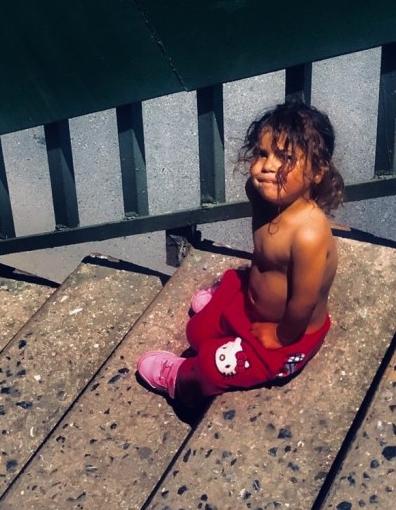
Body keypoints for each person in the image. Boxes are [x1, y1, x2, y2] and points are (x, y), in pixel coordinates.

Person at [136, 101, 343, 407]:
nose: (267, 166)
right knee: (197, 332)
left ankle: (180, 380)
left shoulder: (308, 234)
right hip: (251, 304)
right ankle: (226, 316)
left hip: (291, 334)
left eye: (285, 158)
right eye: (262, 153)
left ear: (317, 172)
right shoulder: (262, 197)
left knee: (213, 367)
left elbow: (303, 304)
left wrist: (280, 337)